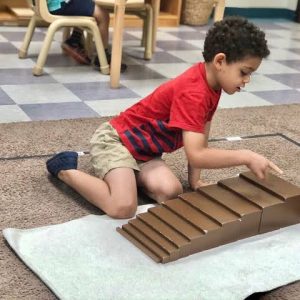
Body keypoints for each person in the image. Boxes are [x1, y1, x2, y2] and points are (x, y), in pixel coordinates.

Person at [46, 16, 282, 219]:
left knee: (171, 192)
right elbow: (197, 154)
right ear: (220, 61)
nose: (247, 80)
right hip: (116, 142)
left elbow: (202, 135)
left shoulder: (213, 84)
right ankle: (66, 170)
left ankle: (125, 176)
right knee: (123, 207)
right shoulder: (194, 91)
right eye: (244, 72)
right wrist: (247, 156)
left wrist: (195, 181)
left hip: (145, 152)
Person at [46, 0, 127, 72]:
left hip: (53, 4)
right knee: (103, 15)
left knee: (87, 4)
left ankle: (75, 40)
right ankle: (102, 57)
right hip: (60, 4)